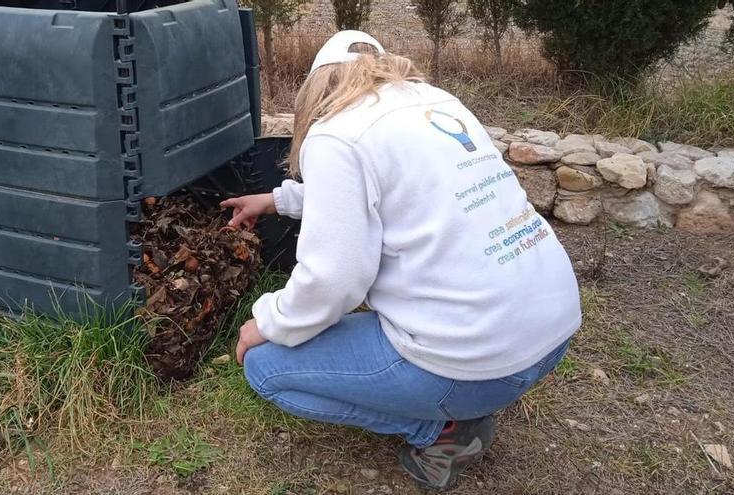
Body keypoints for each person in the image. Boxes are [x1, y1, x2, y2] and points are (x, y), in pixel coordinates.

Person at [220, 31, 581, 491]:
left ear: (315, 89)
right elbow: (390, 189)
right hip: (550, 333)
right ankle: (463, 400)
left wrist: (269, 322)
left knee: (267, 368)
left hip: (477, 362)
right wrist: (277, 199)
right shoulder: (434, 103)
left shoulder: (336, 132)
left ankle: (444, 432)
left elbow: (335, 279)